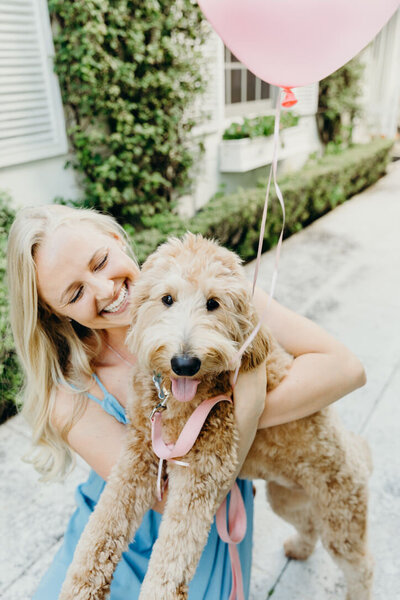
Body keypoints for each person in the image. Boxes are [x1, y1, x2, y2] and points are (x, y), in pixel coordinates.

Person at [7, 204, 366, 599]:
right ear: (54, 312)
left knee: (338, 533)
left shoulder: (220, 287)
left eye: (101, 262)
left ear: (116, 240)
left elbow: (347, 369)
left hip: (201, 529)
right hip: (150, 518)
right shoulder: (67, 392)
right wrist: (240, 407)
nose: (105, 290)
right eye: (75, 293)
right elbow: (160, 497)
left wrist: (232, 413)